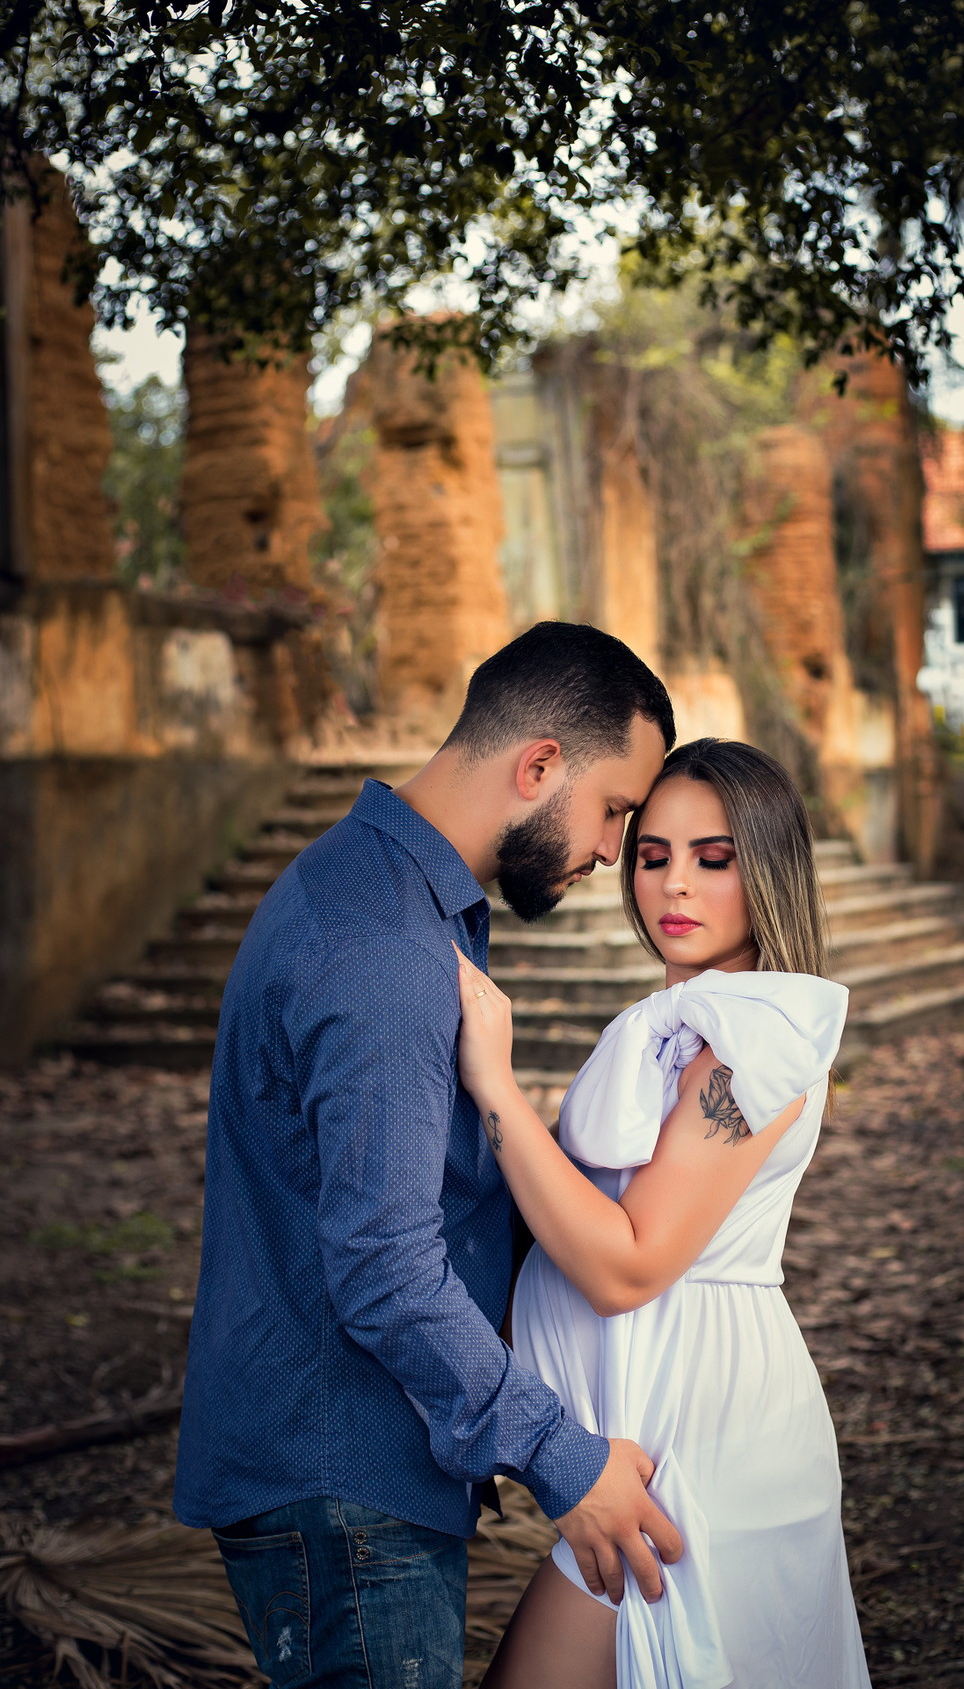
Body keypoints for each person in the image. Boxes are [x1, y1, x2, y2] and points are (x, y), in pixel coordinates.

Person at [173, 621, 683, 1689]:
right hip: (346, 1483)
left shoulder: (376, 892)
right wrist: (565, 1462)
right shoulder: (391, 952)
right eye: (615, 811)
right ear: (538, 765)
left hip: (337, 1468)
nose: (609, 851)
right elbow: (386, 1270)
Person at [455, 738, 873, 1689]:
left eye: (713, 859)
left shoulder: (752, 1041)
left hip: (708, 1432)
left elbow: (626, 1267)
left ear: (765, 870)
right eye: (653, 856)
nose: (674, 886)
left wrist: (494, 1085)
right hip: (648, 1421)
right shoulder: (681, 1024)